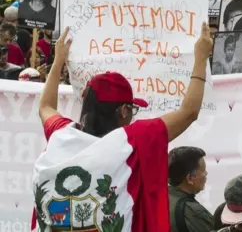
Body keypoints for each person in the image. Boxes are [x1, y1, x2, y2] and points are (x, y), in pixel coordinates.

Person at [30, 23, 213, 231]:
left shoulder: (60, 134)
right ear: (123, 111)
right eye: (132, 110)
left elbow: (45, 106)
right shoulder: (130, 142)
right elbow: (188, 113)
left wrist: (58, 60)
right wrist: (201, 58)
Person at [168, 147, 213, 232]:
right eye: (203, 171)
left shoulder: (157, 200)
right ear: (190, 178)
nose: (206, 174)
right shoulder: (194, 212)